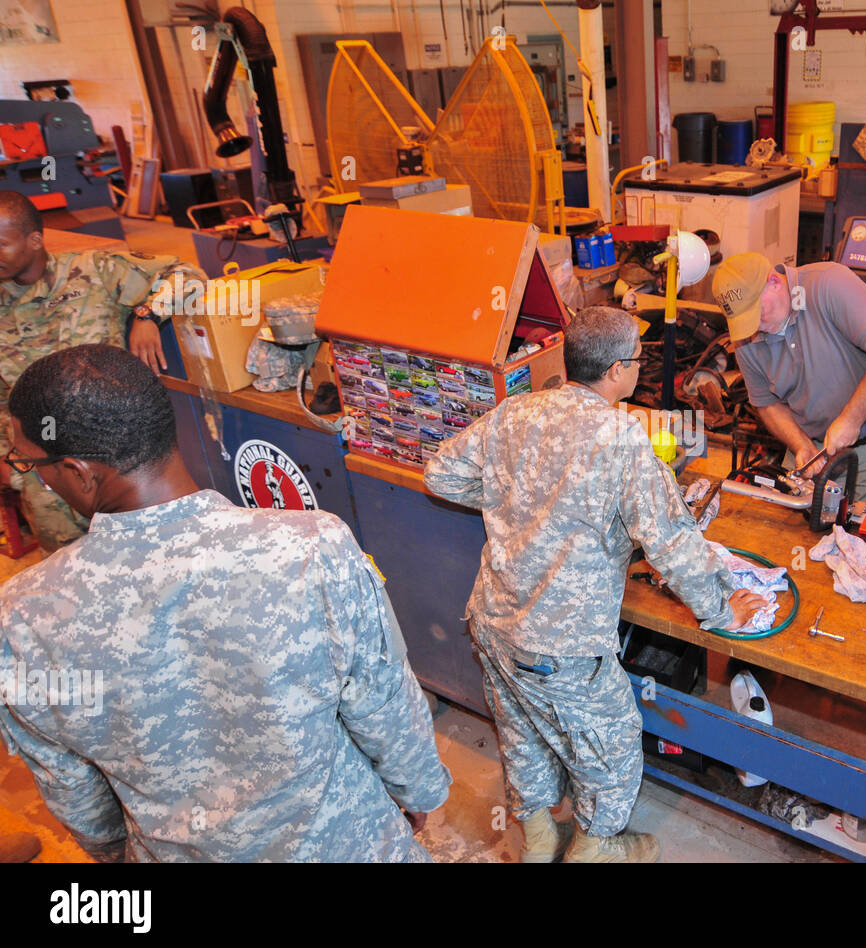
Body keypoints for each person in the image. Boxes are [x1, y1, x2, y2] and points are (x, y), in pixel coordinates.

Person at [0, 344, 451, 862]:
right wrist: (418, 792)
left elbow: (73, 788)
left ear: (79, 472)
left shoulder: (22, 618)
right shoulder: (311, 548)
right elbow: (384, 702)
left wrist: (114, 850)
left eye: (32, 464)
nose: (30, 477)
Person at [424, 306, 767, 864]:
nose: (640, 369)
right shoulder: (620, 437)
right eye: (638, 360)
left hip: (492, 622)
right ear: (615, 372)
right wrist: (723, 606)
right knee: (611, 752)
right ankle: (596, 849)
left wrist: (515, 505)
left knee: (522, 732)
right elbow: (672, 541)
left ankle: (539, 843)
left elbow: (440, 473)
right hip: (563, 646)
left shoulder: (515, 412)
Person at [0, 190, 203, 552]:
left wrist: (148, 314)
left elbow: (188, 275)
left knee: (149, 558)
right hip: (43, 476)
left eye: (1, 244)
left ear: (34, 240)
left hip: (117, 463)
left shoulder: (94, 271)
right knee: (63, 574)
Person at [712, 252, 866, 512]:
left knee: (851, 538)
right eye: (744, 321)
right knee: (782, 532)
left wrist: (852, 419)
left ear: (774, 281)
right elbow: (766, 403)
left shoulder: (828, 284)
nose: (754, 328)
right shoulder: (746, 336)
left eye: (757, 313)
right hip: (808, 451)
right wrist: (799, 444)